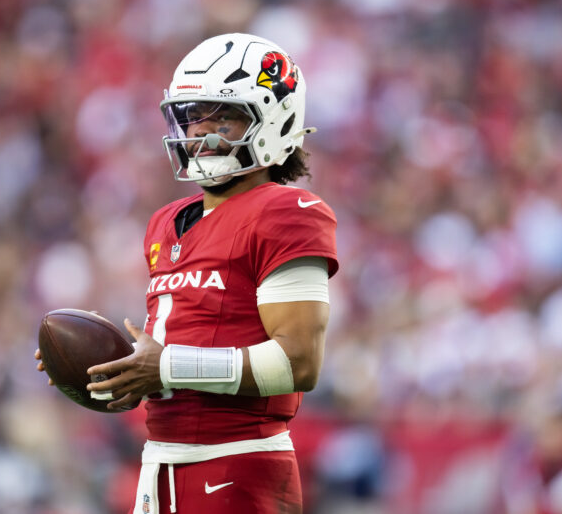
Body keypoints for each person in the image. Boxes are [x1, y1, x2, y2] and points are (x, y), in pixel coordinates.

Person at [36, 32, 338, 513]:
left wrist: (165, 366)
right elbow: (182, 354)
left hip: (237, 465)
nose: (200, 132)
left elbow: (298, 363)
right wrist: (118, 374)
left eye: (223, 117)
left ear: (274, 119)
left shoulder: (288, 210)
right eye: (193, 116)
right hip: (159, 466)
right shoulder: (166, 221)